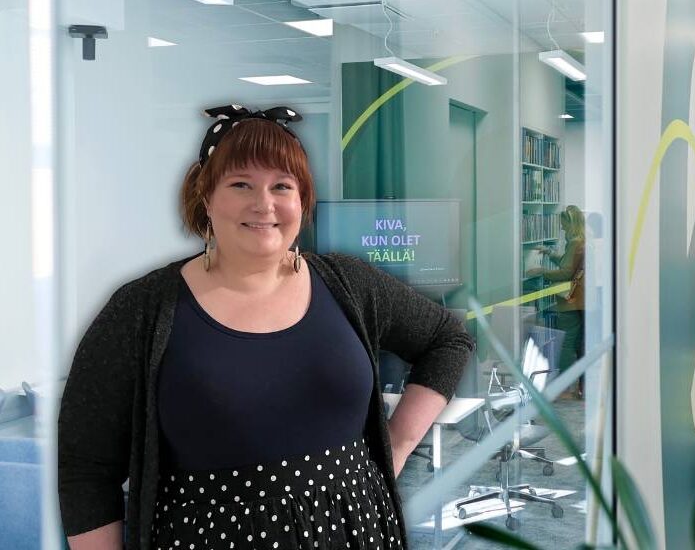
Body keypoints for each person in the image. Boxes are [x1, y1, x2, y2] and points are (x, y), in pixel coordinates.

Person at [58, 105, 474, 550]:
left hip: (358, 532)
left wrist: (398, 444)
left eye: (282, 186)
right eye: (241, 184)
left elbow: (448, 340)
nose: (264, 203)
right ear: (205, 196)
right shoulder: (141, 309)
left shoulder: (349, 284)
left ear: (302, 200)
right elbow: (86, 469)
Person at [529, 205, 586, 398]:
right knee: (574, 342)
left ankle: (566, 388)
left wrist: (541, 271)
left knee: (566, 343)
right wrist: (549, 252)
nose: (561, 228)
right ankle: (572, 386)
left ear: (571, 224)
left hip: (571, 302)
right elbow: (566, 263)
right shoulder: (580, 241)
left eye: (563, 224)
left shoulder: (575, 243)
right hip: (579, 300)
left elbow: (565, 272)